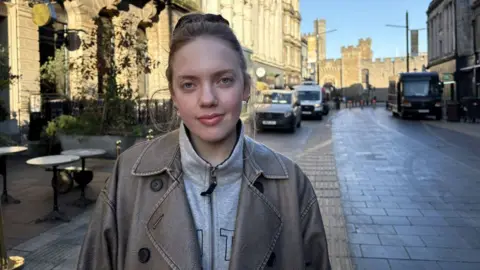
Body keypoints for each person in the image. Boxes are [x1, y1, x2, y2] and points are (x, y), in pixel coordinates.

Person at [77, 12, 331, 270]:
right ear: (174, 96)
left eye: (224, 80)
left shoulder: (291, 184)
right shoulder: (128, 176)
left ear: (245, 87)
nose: (207, 99)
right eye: (189, 84)